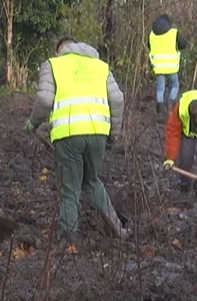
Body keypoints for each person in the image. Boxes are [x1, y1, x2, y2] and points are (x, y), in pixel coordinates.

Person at [26, 37, 130, 240]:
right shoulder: (100, 66)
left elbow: (46, 99)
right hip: (98, 132)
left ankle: (69, 239)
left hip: (68, 136)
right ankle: (118, 230)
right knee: (91, 181)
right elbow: (117, 98)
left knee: (70, 189)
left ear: (59, 52)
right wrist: (113, 134)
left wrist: (33, 122)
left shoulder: (52, 65)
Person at [148, 14, 188, 117]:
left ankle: (160, 113)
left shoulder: (152, 34)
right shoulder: (173, 33)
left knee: (160, 89)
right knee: (174, 85)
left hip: (158, 66)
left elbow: (149, 46)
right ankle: (170, 104)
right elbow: (183, 45)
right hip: (171, 66)